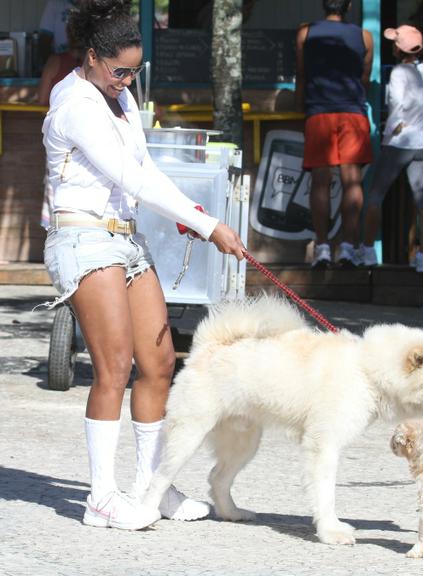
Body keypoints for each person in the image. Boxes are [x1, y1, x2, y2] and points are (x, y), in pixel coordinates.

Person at [40, 0, 245, 530]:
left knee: (159, 363)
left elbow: (145, 165)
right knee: (113, 367)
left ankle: (152, 488)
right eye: (120, 70)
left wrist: (192, 212)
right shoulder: (76, 103)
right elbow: (130, 180)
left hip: (126, 240)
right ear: (91, 57)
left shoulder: (121, 96)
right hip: (84, 238)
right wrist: (209, 226)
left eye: (135, 70)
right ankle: (101, 498)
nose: (128, 80)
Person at [295, 0, 374, 269]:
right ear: (349, 5)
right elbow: (364, 77)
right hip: (352, 112)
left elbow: (302, 74)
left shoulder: (306, 32)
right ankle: (349, 248)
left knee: (321, 182)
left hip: (319, 112)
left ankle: (323, 246)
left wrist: (300, 105)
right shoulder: (364, 36)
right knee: (352, 181)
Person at [359, 25, 423, 273]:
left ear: (399, 47)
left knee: (375, 197)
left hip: (398, 142)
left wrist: (388, 132)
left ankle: (369, 251)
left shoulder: (399, 73)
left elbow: (396, 106)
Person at [38, 16, 84, 229]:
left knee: (55, 186)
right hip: (86, 137)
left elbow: (42, 99)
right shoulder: (94, 64)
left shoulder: (56, 62)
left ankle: (54, 231)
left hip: (59, 140)